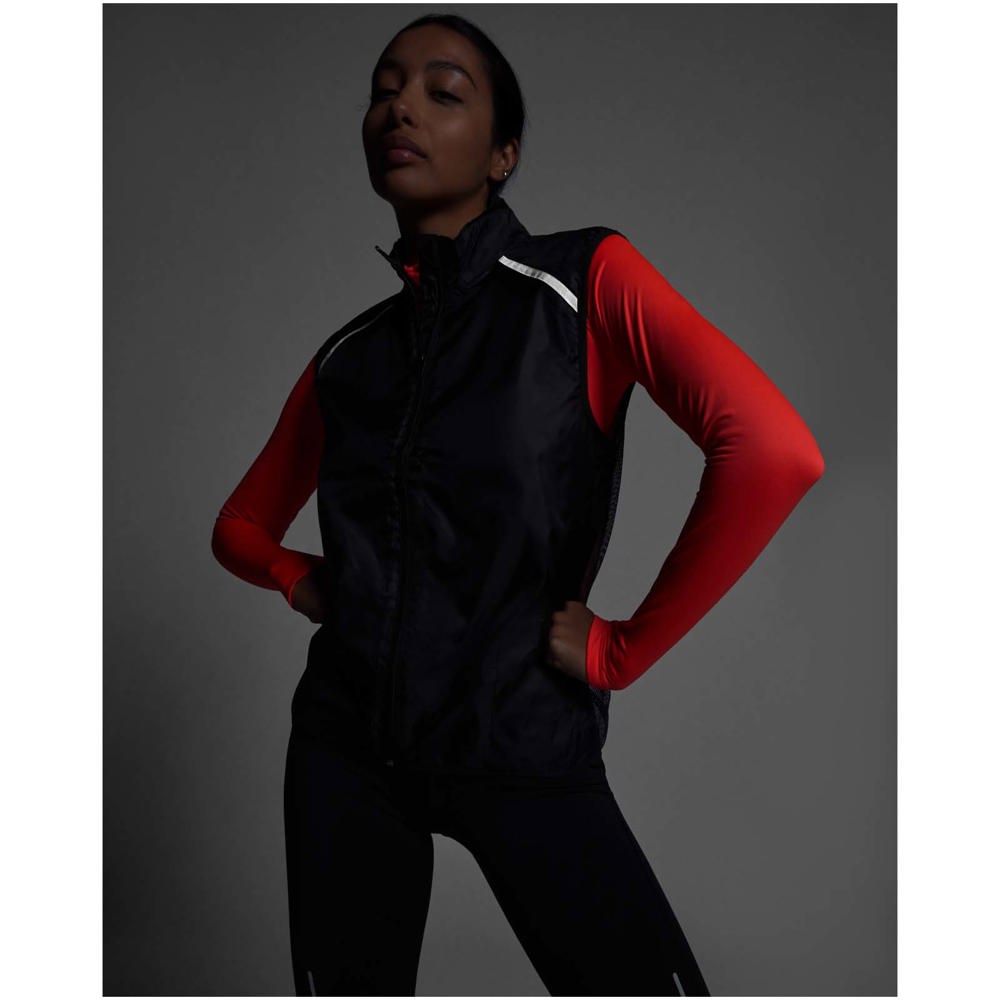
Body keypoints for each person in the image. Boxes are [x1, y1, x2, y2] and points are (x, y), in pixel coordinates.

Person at [211, 12, 825, 997]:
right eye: (383, 90)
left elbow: (773, 449)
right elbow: (239, 528)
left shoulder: (583, 282)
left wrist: (623, 649)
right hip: (345, 753)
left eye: (442, 92)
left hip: (520, 737)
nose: (399, 107)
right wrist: (303, 579)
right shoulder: (350, 356)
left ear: (503, 154)